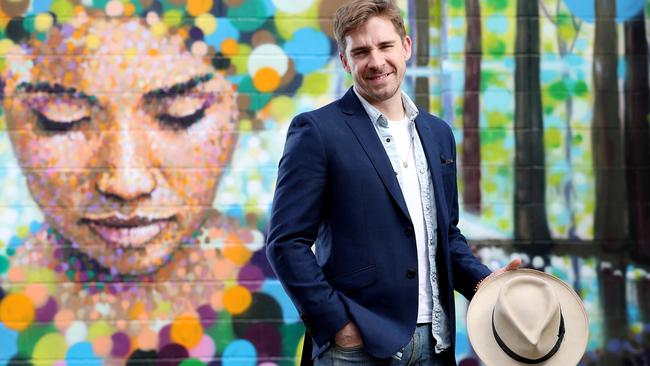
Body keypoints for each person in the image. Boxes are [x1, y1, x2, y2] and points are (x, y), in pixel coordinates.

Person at [0, 3, 290, 364]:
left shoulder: (294, 299)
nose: (126, 181)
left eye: (181, 114)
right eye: (61, 119)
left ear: (242, 104)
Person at [266, 0, 520, 364]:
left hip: (436, 342)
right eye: (361, 51)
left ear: (406, 46)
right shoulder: (317, 132)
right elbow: (285, 242)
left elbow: (444, 234)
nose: (376, 61)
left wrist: (483, 283)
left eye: (385, 46)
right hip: (358, 347)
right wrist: (338, 324)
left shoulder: (437, 133)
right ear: (345, 61)